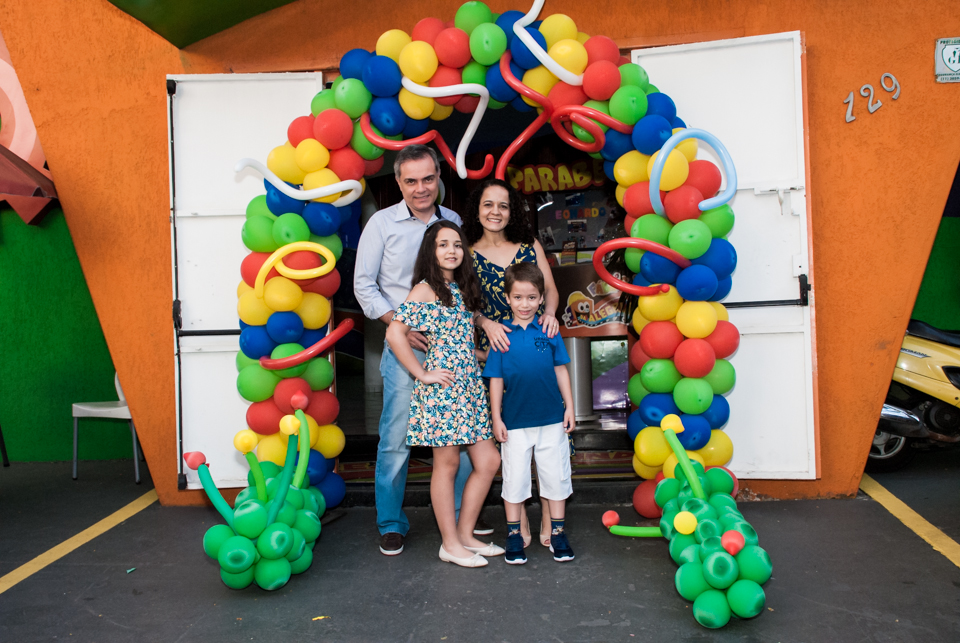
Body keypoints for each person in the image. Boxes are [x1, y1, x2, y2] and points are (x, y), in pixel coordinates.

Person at [354, 145, 483, 557]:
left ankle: (459, 521)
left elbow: (464, 285)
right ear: (398, 183)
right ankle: (392, 522)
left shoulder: (454, 222)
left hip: (452, 353)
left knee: (459, 438)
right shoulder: (381, 223)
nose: (421, 188)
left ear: (438, 177)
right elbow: (363, 286)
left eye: (428, 179)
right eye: (411, 181)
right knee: (396, 437)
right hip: (406, 349)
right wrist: (398, 324)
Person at [385, 221, 503, 568]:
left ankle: (465, 535)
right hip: (443, 390)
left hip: (468, 388)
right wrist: (421, 373)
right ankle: (449, 544)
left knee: (488, 461)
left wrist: (489, 354)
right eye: (442, 245)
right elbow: (395, 334)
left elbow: (460, 340)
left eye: (456, 244)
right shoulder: (425, 289)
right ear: (430, 251)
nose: (451, 250)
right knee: (447, 464)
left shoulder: (460, 288)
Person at [463, 178, 562, 549]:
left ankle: (552, 521)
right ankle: (516, 523)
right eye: (488, 204)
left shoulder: (528, 246)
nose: (495, 212)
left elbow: (550, 289)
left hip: (535, 351)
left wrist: (551, 314)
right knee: (510, 442)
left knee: (546, 437)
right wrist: (485, 323)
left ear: (513, 211)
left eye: (503, 205)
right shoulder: (466, 252)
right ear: (478, 209)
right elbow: (460, 305)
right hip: (490, 357)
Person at [483, 262, 576, 564]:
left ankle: (558, 533)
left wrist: (570, 407)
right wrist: (496, 418)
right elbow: (495, 380)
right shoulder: (501, 334)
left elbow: (560, 369)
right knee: (515, 479)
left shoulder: (549, 329)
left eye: (532, 297)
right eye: (518, 297)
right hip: (515, 422)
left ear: (541, 299)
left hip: (551, 419)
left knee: (556, 476)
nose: (525, 304)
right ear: (507, 298)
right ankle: (513, 535)